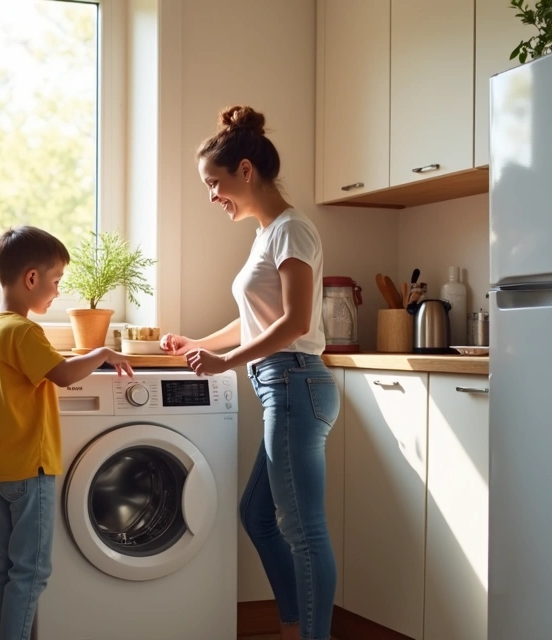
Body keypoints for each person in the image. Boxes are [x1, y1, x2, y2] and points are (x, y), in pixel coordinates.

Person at [160, 106, 341, 640]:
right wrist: (198, 343)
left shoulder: (291, 231)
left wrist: (225, 362)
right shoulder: (268, 234)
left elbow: (295, 323)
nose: (211, 196)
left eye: (214, 183)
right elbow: (255, 321)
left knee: (304, 532)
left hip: (293, 382)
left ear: (245, 170)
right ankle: (294, 626)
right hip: (283, 385)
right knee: (258, 516)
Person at [0, 226, 134, 640]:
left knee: (8, 568)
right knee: (32, 571)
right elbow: (63, 374)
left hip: (2, 466)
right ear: (31, 278)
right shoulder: (25, 331)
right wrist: (100, 352)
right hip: (32, 466)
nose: (58, 291)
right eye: (56, 281)